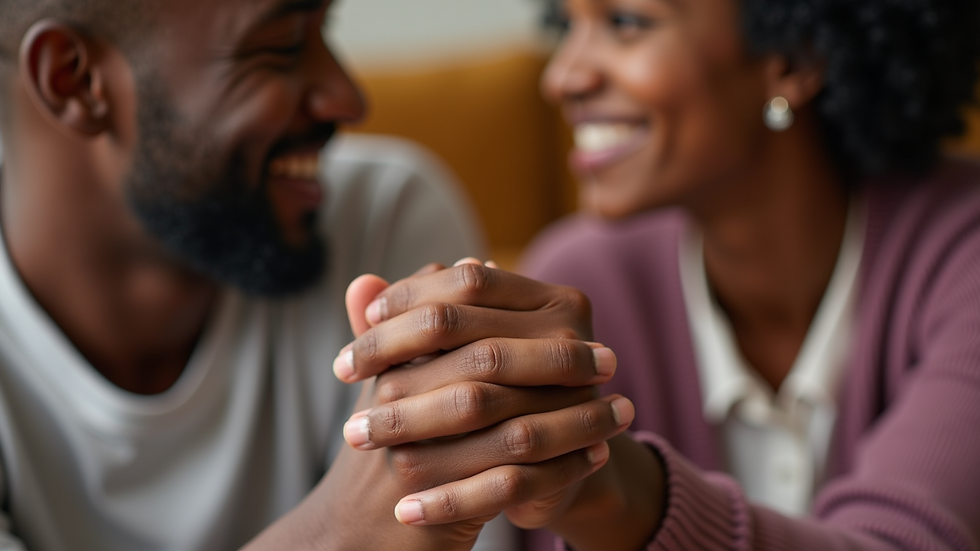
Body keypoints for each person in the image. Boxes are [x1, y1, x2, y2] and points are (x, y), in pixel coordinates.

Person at [331, 0, 980, 549]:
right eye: (568, 24)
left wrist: (619, 494)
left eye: (626, 22)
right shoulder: (579, 284)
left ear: (795, 55)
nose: (563, 78)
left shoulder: (962, 251)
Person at [0, 0, 615, 548]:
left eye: (327, 28)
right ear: (73, 80)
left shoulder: (383, 215)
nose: (348, 98)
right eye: (281, 47)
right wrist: (340, 531)